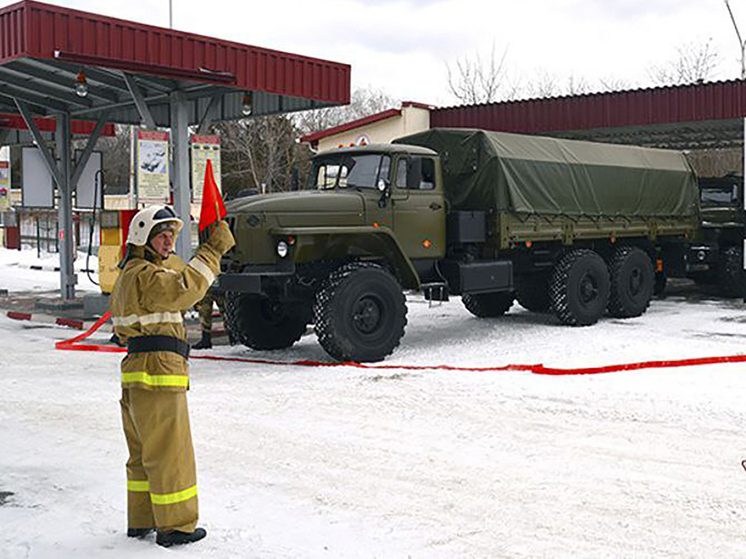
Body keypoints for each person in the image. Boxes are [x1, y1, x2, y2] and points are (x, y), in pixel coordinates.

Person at [109, 205, 234, 547]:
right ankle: (176, 526)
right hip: (158, 375)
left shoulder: (129, 275)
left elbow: (176, 278)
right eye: (162, 236)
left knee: (142, 454)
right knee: (170, 453)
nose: (168, 243)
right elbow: (184, 287)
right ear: (142, 238)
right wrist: (212, 250)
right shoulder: (146, 276)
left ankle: (142, 519)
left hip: (138, 375)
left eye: (171, 237)